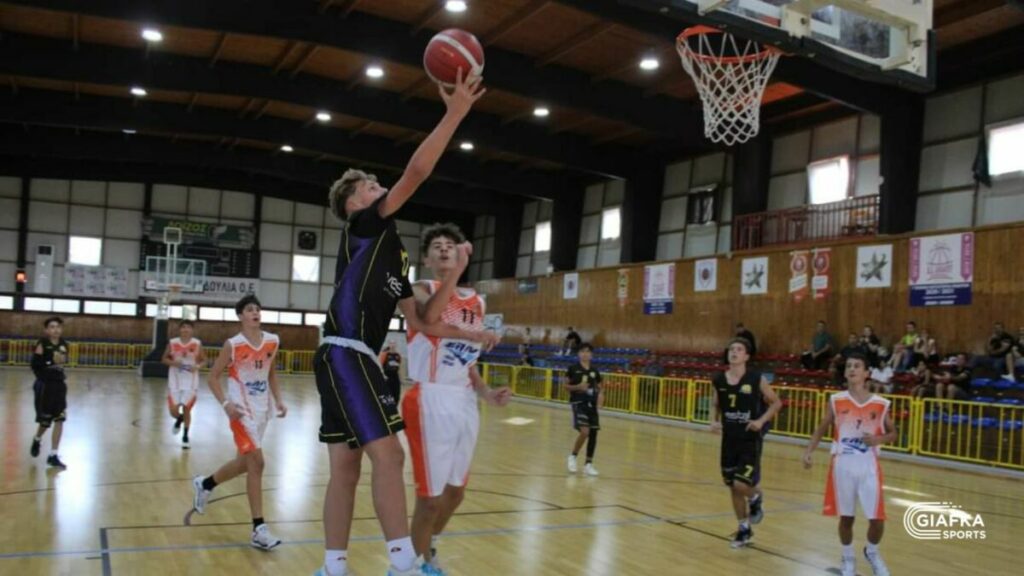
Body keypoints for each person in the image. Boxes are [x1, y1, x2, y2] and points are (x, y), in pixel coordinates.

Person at [312, 70, 498, 576]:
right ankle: (403, 564)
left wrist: (466, 310)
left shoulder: (392, 258)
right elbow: (416, 172)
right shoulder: (364, 225)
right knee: (390, 456)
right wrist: (454, 114)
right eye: (371, 186)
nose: (380, 189)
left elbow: (424, 322)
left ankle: (332, 567)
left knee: (345, 469)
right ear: (354, 204)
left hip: (348, 356)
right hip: (347, 351)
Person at [402, 223, 512, 574]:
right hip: (430, 397)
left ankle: (427, 547)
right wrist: (457, 273)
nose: (445, 249)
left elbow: (468, 362)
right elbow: (429, 317)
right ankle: (410, 566)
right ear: (427, 259)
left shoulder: (478, 302)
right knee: (428, 499)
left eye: (450, 244)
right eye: (436, 246)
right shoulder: (421, 288)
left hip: (464, 400)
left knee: (455, 492)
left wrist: (486, 392)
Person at [191, 295, 287, 550]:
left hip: (262, 408)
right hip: (240, 410)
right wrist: (226, 405)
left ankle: (205, 483)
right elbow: (212, 377)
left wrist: (278, 400)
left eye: (258, 309)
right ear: (240, 316)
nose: (255, 312)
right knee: (258, 463)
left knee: (245, 463)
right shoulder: (233, 345)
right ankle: (258, 529)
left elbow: (271, 373)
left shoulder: (272, 341)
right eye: (249, 309)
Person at [803, 352, 896, 576]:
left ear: (867, 373)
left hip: (868, 466)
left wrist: (878, 439)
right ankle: (848, 558)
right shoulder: (836, 400)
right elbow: (822, 427)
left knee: (877, 519)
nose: (852, 369)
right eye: (849, 366)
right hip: (842, 465)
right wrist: (809, 451)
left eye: (857, 366)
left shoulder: (880, 403)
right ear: (845, 373)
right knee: (846, 518)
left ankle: (872, 552)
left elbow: (893, 433)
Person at [710, 338, 782, 548]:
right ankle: (744, 529)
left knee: (740, 484)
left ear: (746, 356)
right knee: (733, 487)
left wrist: (761, 421)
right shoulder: (719, 380)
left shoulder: (756, 378)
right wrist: (713, 420)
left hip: (749, 440)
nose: (734, 352)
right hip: (729, 440)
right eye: (731, 349)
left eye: (739, 349)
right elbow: (715, 404)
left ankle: (755, 497)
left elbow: (776, 403)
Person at [29, 316, 71, 469]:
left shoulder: (64, 345)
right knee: (45, 421)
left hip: (59, 385)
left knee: (60, 419)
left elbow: (62, 362)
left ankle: (53, 455)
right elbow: (35, 365)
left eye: (58, 327)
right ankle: (37, 438)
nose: (55, 330)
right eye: (52, 327)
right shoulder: (42, 344)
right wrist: (49, 364)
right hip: (45, 386)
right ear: (46, 330)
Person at [162, 320, 205, 449]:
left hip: (190, 382)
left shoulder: (197, 344)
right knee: (173, 411)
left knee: (187, 408)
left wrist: (197, 367)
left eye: (188, 327)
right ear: (179, 329)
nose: (185, 329)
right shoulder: (173, 343)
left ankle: (185, 436)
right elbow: (163, 359)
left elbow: (204, 360)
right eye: (183, 327)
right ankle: (179, 419)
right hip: (175, 381)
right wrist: (173, 363)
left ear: (192, 330)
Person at [565, 343, 603, 477]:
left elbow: (600, 388)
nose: (585, 354)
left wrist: (600, 400)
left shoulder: (595, 371)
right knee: (585, 432)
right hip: (579, 403)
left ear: (591, 354)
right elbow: (566, 386)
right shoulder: (572, 368)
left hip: (592, 405)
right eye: (582, 351)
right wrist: (578, 387)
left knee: (593, 434)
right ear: (578, 354)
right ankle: (573, 456)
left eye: (587, 351)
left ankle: (588, 464)